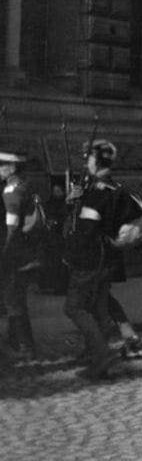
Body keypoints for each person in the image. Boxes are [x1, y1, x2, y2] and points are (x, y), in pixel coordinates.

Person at [63, 140, 123, 379]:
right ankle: (99, 358)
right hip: (107, 257)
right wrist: (73, 201)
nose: (85, 162)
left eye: (87, 157)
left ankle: (101, 355)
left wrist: (70, 255)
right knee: (98, 308)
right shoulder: (111, 187)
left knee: (74, 308)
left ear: (96, 161)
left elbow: (85, 230)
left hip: (90, 259)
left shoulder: (96, 191)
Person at [1, 150, 37, 359]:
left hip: (15, 255)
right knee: (17, 300)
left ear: (12, 167)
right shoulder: (24, 186)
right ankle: (18, 342)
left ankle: (24, 346)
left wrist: (4, 254)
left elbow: (12, 227)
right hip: (27, 253)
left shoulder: (11, 191)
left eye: (1, 165)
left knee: (13, 301)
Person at [39, 183, 70, 295]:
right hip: (50, 237)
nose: (56, 193)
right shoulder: (49, 204)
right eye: (54, 191)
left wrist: (56, 222)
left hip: (60, 237)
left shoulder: (65, 204)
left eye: (58, 190)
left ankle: (59, 287)